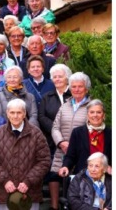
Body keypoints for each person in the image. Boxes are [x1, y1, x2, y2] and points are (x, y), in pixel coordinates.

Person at [0, 98, 51, 210]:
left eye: (19, 112)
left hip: (30, 193)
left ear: (24, 113)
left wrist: (28, 181)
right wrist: (5, 181)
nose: (15, 116)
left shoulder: (36, 134)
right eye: (12, 112)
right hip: (5, 192)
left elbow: (44, 161)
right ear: (7, 113)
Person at [37, 63, 73, 210]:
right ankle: (54, 206)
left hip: (72, 140)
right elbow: (41, 116)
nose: (57, 79)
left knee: (71, 172)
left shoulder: (74, 94)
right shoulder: (47, 96)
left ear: (67, 78)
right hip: (52, 141)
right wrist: (57, 132)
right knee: (53, 174)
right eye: (54, 77)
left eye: (60, 76)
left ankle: (71, 204)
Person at [51, 72, 92, 175]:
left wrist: (74, 146)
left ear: (86, 89)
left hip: (81, 152)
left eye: (80, 86)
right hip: (62, 151)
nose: (76, 89)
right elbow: (55, 127)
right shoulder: (64, 106)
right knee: (57, 180)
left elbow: (93, 128)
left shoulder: (92, 107)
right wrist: (61, 142)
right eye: (73, 86)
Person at [59, 99, 112, 177]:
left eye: (99, 112)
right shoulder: (77, 132)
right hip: (82, 177)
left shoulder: (110, 133)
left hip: (105, 176)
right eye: (92, 112)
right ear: (87, 115)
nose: (95, 115)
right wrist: (65, 166)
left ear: (103, 115)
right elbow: (70, 156)